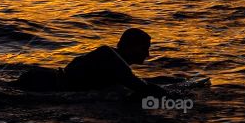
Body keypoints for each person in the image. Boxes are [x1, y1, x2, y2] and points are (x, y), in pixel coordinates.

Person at [16, 28, 167, 97]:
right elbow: (141, 87)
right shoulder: (112, 58)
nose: (148, 54)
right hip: (45, 82)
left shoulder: (110, 57)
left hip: (45, 80)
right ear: (130, 47)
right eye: (144, 49)